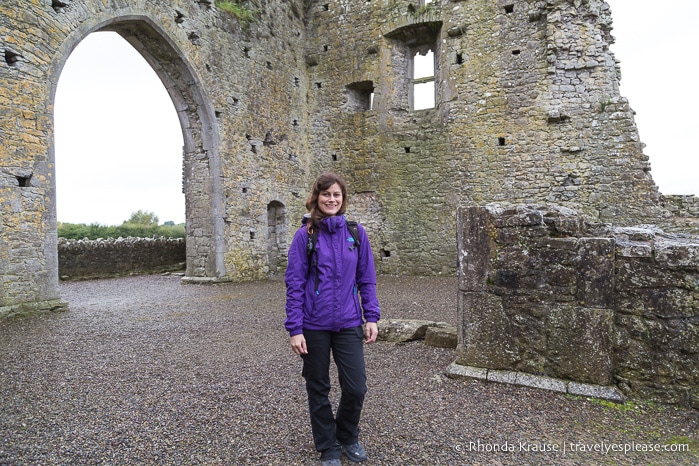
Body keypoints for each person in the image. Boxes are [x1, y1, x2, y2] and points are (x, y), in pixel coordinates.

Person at [284, 172, 380, 465]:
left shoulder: (356, 233)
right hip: (313, 325)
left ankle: (348, 435)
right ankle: (328, 446)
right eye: (326, 195)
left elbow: (367, 278)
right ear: (317, 198)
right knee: (318, 387)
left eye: (337, 195)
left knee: (356, 386)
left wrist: (371, 316)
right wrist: (294, 328)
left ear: (343, 199)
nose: (331, 200)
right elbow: (294, 283)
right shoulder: (305, 236)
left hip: (349, 321)